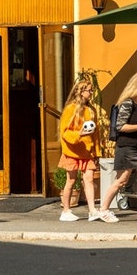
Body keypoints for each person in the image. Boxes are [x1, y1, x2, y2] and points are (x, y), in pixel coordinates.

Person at [98, 72, 137, 225]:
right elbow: (121, 126)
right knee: (121, 180)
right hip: (127, 147)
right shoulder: (127, 103)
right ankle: (104, 209)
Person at [57, 77, 101, 221]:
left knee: (88, 179)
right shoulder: (71, 109)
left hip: (87, 151)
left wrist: (97, 151)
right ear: (81, 92)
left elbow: (96, 133)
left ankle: (92, 210)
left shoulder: (91, 110)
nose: (91, 93)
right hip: (73, 151)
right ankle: (65, 210)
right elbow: (64, 132)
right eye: (89, 90)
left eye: (92, 90)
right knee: (71, 180)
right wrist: (79, 134)